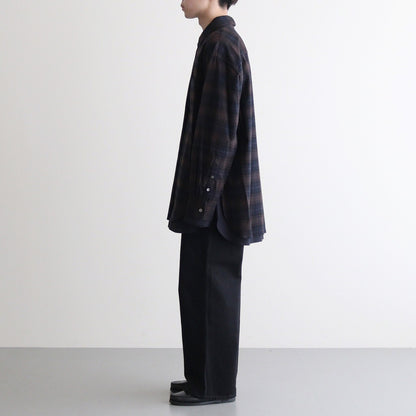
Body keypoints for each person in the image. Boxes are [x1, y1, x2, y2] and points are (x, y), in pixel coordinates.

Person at [167, 0, 266, 406]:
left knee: (212, 293)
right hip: (212, 199)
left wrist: (201, 205)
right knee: (197, 290)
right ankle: (201, 377)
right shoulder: (216, 42)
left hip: (216, 205)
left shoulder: (222, 45)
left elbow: (221, 136)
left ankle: (213, 386)